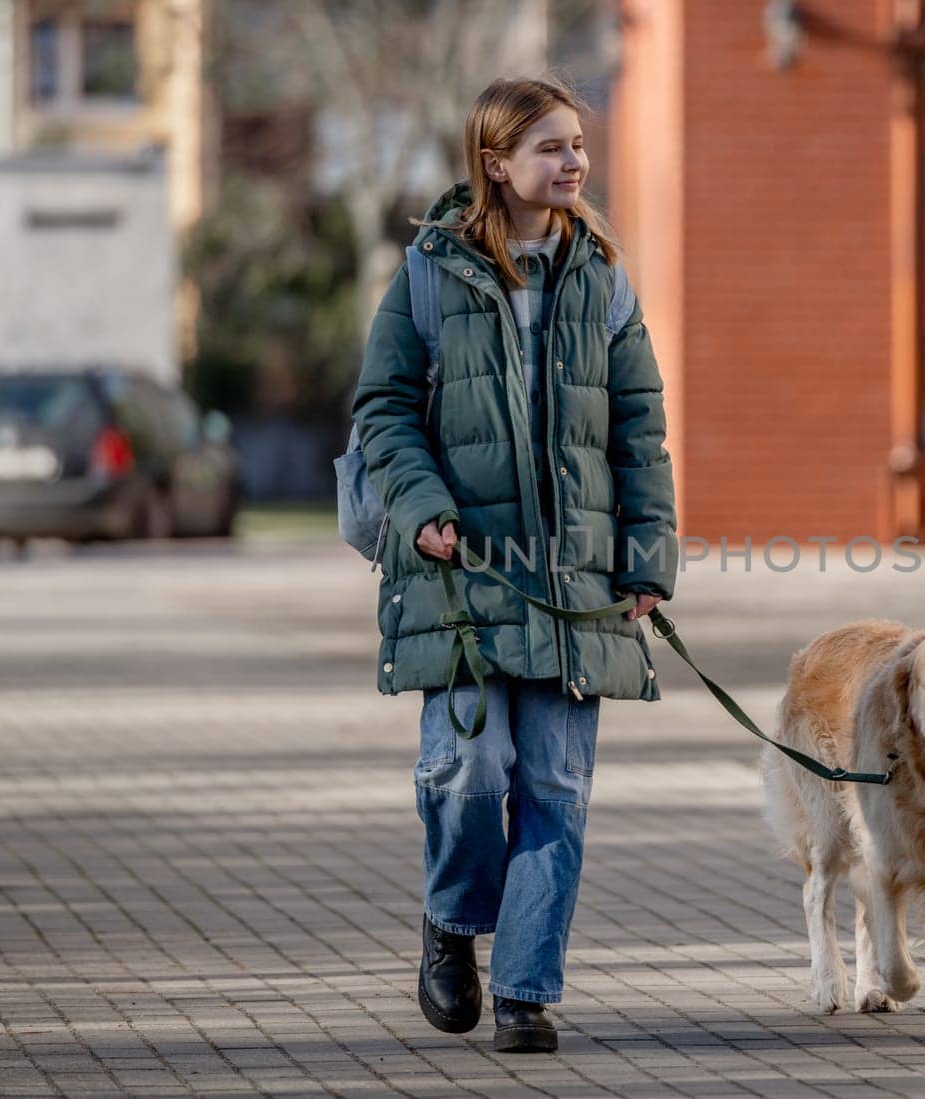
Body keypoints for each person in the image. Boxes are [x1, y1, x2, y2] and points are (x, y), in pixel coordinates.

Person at [351, 76, 678, 1054]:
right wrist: (421, 508)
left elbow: (639, 434)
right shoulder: (426, 272)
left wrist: (644, 559)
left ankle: (527, 991)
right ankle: (452, 923)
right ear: (496, 163)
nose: (572, 162)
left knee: (557, 787)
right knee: (466, 769)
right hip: (460, 573)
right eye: (550, 148)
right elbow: (382, 411)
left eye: (577, 145)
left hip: (576, 581)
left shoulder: (605, 279)